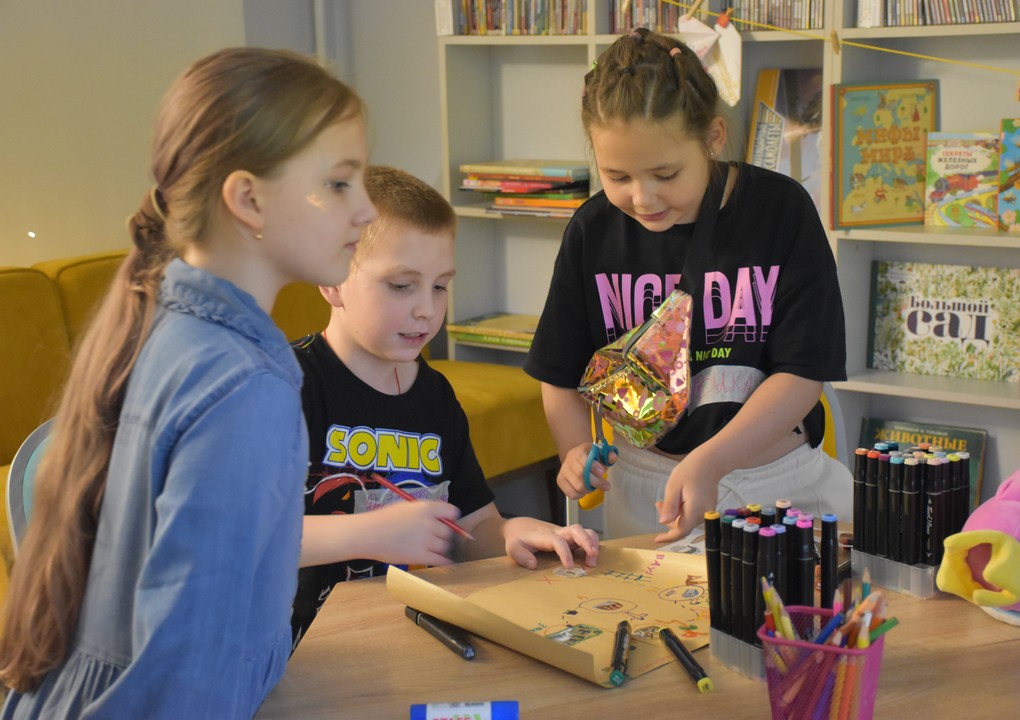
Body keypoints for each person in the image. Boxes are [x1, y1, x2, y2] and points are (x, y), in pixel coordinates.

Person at [0, 48, 376, 718]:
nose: (366, 210)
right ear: (248, 199)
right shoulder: (245, 388)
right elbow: (192, 666)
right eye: (340, 183)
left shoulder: (161, 320)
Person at [524, 28, 851, 543]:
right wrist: (574, 449)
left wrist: (713, 460)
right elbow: (559, 373)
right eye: (618, 176)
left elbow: (804, 372)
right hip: (647, 492)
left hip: (780, 488)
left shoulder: (781, 211)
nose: (643, 198)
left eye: (666, 174)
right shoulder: (592, 230)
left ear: (714, 137)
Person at [289, 165, 600, 644]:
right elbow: (241, 540)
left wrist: (512, 534)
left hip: (413, 638)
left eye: (439, 285)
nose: (428, 310)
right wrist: (371, 533)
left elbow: (473, 526)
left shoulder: (435, 397)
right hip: (308, 650)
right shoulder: (287, 386)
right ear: (330, 279)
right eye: (401, 285)